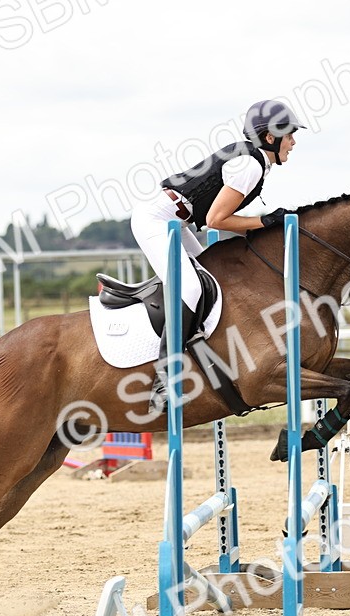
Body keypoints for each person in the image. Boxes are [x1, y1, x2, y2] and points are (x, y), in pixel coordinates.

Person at [130, 99, 304, 413]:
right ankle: (163, 380)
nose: (293, 142)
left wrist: (262, 225)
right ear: (270, 138)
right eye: (289, 135)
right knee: (192, 288)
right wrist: (264, 222)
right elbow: (216, 221)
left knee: (215, 279)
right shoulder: (250, 165)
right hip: (156, 220)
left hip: (178, 221)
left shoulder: (254, 161)